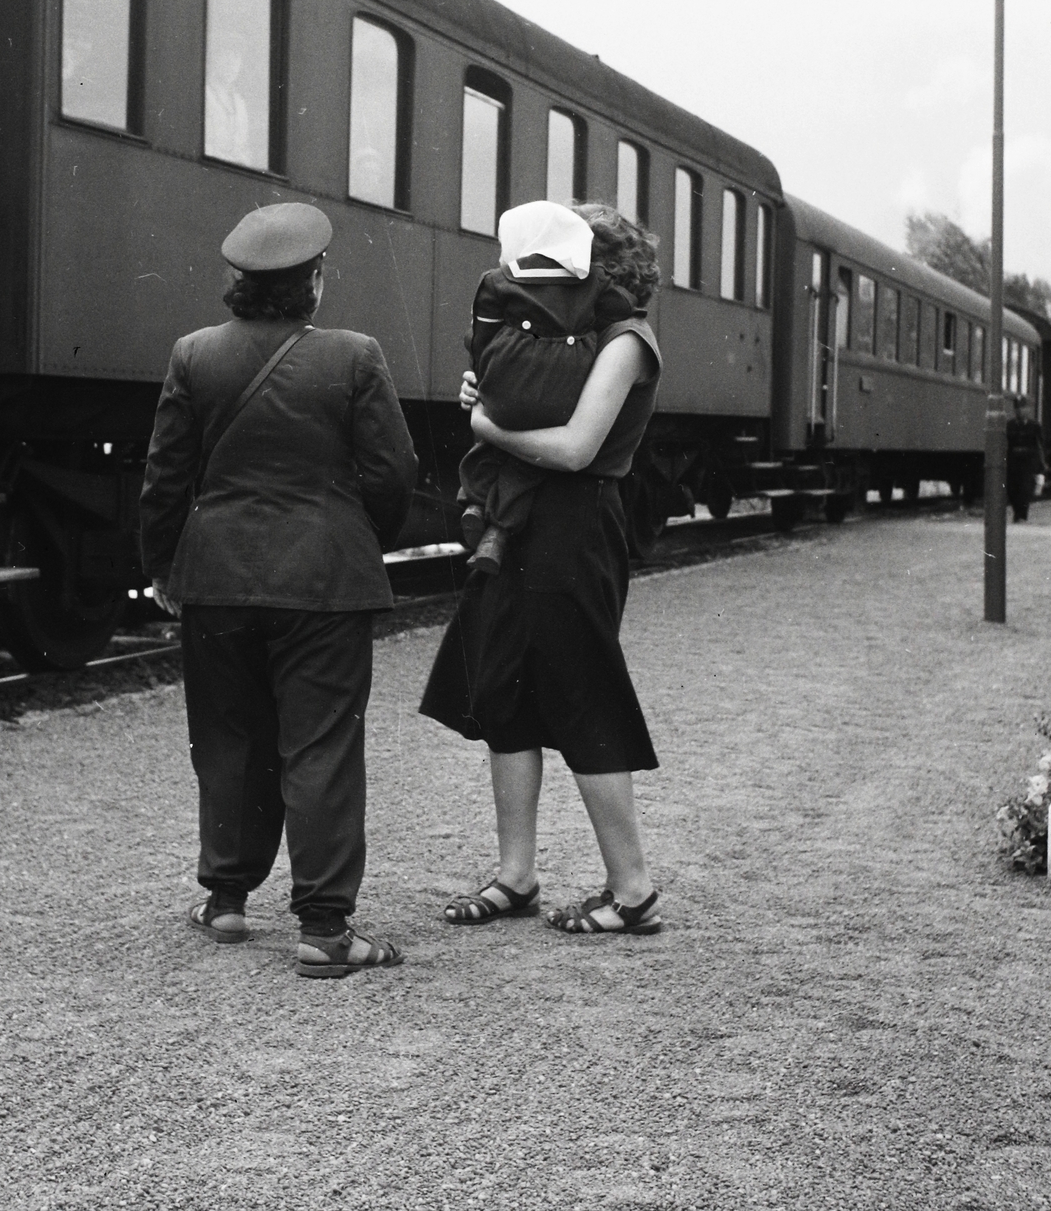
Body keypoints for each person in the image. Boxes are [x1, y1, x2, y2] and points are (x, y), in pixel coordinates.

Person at [139, 202, 418, 979]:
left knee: (228, 737)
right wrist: (359, 537)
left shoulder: (194, 355)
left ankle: (226, 901)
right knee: (320, 742)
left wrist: (163, 565)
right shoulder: (355, 355)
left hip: (218, 578)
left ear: (238, 282)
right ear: (316, 283)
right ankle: (326, 929)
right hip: (323, 580)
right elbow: (396, 472)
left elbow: (164, 477)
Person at [420, 202, 664, 936]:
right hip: (523, 524)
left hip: (577, 524)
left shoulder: (626, 341)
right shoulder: (566, 338)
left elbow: (575, 449)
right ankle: (515, 876)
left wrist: (487, 422)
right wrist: (488, 390)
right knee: (504, 689)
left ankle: (633, 892)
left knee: (580, 691)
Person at [458, 200, 634, 574]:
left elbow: (481, 337)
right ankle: (498, 533)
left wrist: (484, 376)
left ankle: (474, 502)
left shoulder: (498, 279)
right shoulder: (597, 285)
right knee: (528, 457)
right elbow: (619, 309)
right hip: (562, 395)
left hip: (507, 393)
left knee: (494, 438)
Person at [1006, 394, 1045, 523]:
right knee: (1012, 490)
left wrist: (1040, 466)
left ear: (1027, 409)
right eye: (1017, 408)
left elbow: (1039, 446)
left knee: (1025, 490)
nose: (1019, 411)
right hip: (1013, 462)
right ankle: (1017, 513)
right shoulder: (1010, 425)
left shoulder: (1034, 426)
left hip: (1028, 463)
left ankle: (1022, 516)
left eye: (1022, 408)